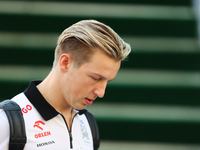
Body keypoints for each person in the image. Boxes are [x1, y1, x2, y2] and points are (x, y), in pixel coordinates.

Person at [0, 19, 131, 150]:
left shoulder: (87, 122)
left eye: (107, 81)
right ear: (65, 63)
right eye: (96, 78)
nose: (101, 92)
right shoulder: (6, 122)